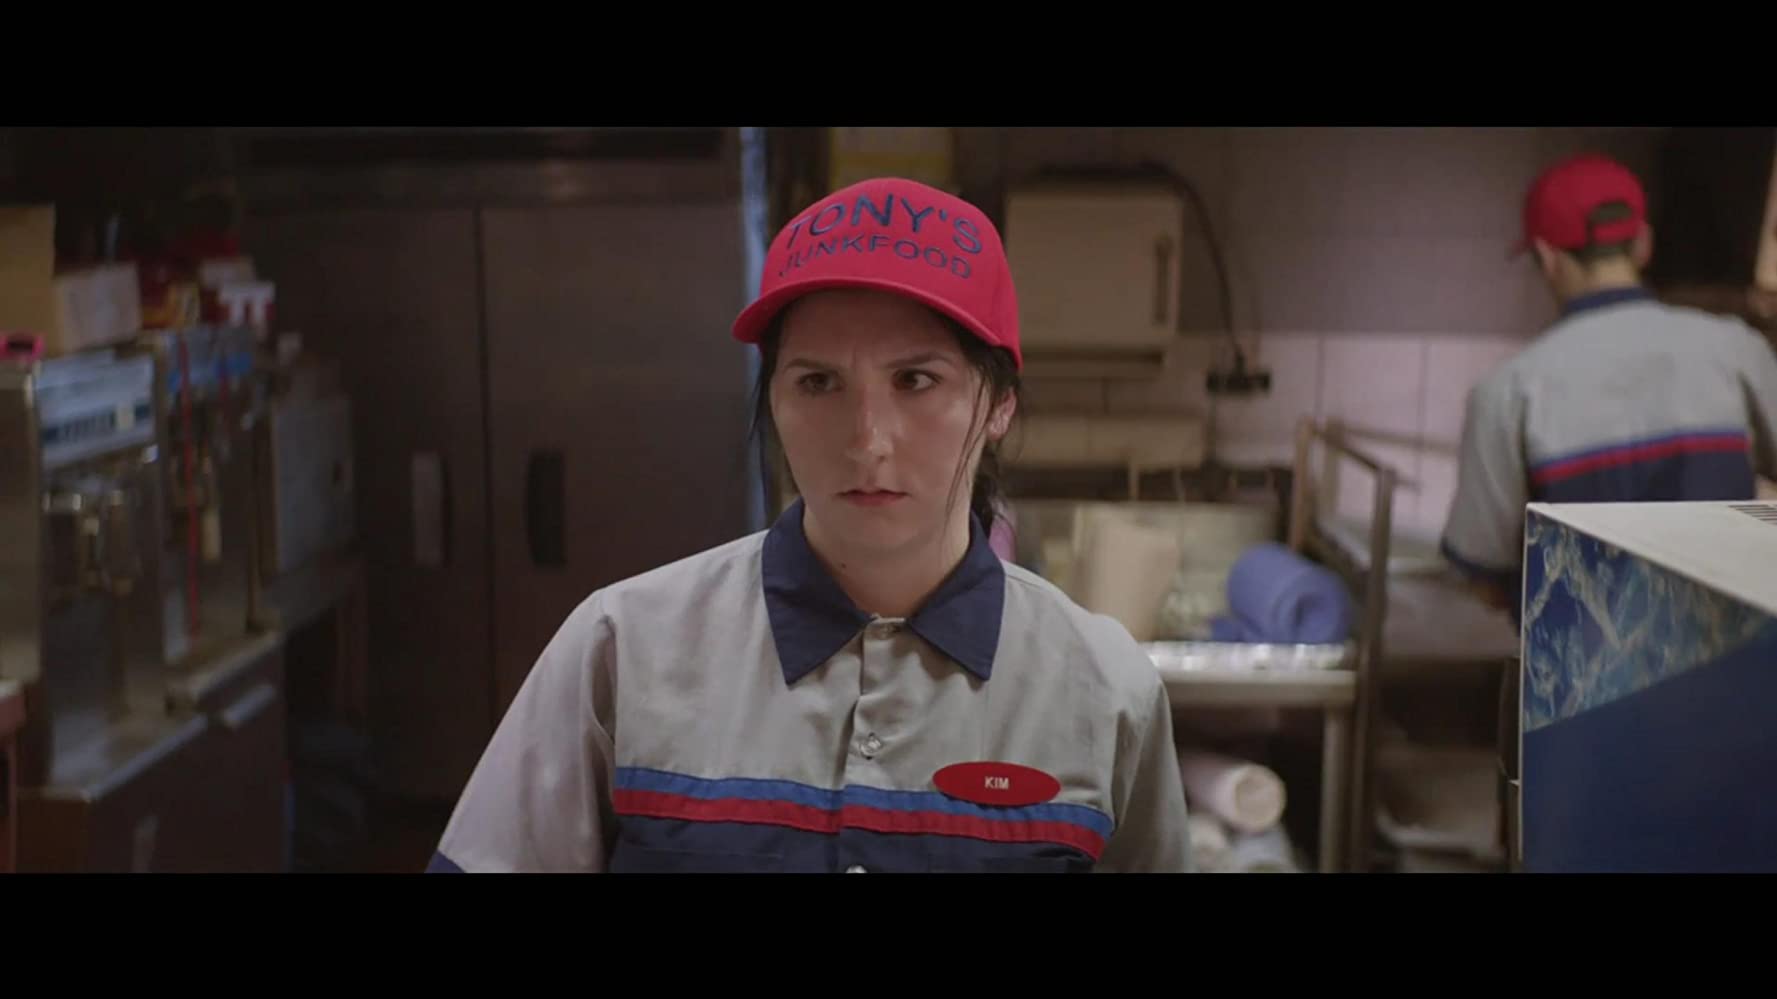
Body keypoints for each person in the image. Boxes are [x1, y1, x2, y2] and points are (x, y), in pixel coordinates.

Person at [427, 176, 1192, 873]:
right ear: (773, 400)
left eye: (916, 379)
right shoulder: (623, 650)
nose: (866, 440)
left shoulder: (1104, 693)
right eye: (818, 381)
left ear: (998, 405)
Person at [1442, 152, 1777, 621]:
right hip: (1736, 651)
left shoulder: (1508, 391)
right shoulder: (1738, 350)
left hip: (1585, 661)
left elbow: (1484, 574)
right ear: (1642, 244)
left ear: (1547, 257)